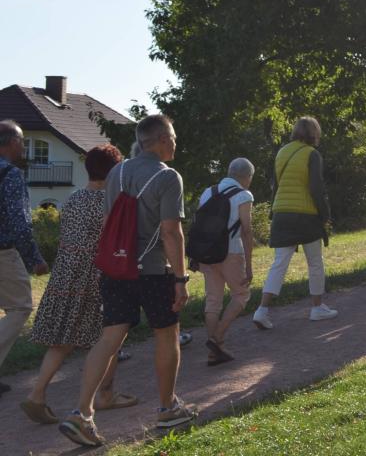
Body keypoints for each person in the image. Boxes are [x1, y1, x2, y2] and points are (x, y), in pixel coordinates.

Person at [58, 115, 194, 446]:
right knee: (166, 334)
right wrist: (180, 278)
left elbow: (108, 221)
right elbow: (171, 232)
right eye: (173, 137)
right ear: (162, 139)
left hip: (116, 269)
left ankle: (82, 414)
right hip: (152, 271)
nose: (175, 143)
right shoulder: (168, 177)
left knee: (108, 340)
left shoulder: (117, 172)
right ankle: (167, 408)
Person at [23, 145, 131, 424]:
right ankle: (105, 395)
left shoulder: (73, 199)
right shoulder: (110, 201)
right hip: (95, 275)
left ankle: (36, 393)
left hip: (64, 273)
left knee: (63, 340)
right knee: (111, 336)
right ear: (114, 170)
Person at [253, 117, 337, 330]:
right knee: (315, 262)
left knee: (279, 263)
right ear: (313, 133)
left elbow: (275, 185)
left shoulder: (282, 152)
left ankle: (262, 310)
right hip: (306, 214)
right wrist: (325, 214)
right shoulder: (312, 154)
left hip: (281, 212)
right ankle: (317, 308)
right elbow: (317, 189)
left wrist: (274, 212)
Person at [0, 121, 50, 400]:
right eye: (22, 140)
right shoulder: (11, 175)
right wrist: (35, 259)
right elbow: (19, 224)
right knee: (20, 308)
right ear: (10, 142)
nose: (24, 145)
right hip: (3, 253)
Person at [196, 158, 255, 365]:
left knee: (213, 301)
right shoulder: (243, 195)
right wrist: (249, 265)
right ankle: (217, 339)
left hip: (206, 253)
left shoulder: (208, 192)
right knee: (241, 294)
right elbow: (246, 231)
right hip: (231, 252)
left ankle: (214, 353)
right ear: (247, 177)